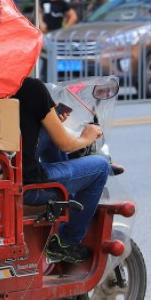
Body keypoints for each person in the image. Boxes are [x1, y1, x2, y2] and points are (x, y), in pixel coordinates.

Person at [15, 77, 110, 264]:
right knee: (101, 167)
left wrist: (51, 118)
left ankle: (70, 193)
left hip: (7, 169)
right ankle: (67, 241)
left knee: (49, 133)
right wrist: (88, 137)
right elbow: (66, 144)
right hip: (29, 184)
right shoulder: (32, 87)